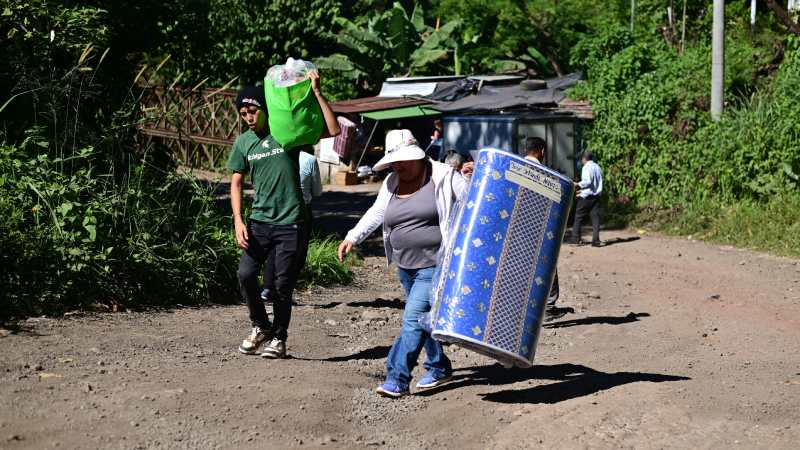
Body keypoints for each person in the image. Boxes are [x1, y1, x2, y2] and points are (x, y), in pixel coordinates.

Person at [337, 129, 473, 398]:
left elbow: (473, 203)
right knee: (423, 320)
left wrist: (474, 178)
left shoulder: (444, 176)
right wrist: (353, 236)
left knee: (412, 320)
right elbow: (377, 212)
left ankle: (397, 377)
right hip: (405, 265)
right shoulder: (391, 182)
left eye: (403, 160)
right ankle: (439, 367)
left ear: (418, 157)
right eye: (394, 162)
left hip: (435, 264)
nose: (398, 165)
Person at [229, 73, 340, 359]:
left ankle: (279, 338)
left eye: (252, 111)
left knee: (281, 286)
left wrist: (316, 92)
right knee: (245, 274)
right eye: (243, 114)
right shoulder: (243, 143)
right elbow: (237, 182)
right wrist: (238, 219)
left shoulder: (288, 134)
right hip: (259, 222)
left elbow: (333, 129)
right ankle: (260, 326)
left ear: (265, 109)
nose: (248, 118)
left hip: (292, 223)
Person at [260, 147, 322, 301]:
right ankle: (284, 291)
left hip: (278, 207)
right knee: (297, 254)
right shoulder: (309, 160)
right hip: (301, 210)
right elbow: (317, 191)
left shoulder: (275, 155)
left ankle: (267, 288)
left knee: (274, 249)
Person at [523, 137, 564, 321]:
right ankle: (547, 309)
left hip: (517, 232)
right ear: (541, 151)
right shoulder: (544, 173)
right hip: (539, 231)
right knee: (548, 268)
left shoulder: (514, 168)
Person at [570, 151, 603, 247]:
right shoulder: (597, 167)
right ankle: (596, 240)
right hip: (596, 197)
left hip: (586, 197)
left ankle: (575, 239)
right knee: (595, 218)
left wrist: (578, 184)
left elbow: (588, 182)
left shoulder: (586, 167)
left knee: (578, 217)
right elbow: (596, 183)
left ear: (584, 158)